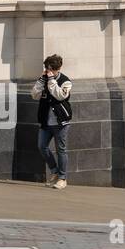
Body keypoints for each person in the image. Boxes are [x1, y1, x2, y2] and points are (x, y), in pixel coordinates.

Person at [31, 54, 73, 190]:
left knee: (61, 149)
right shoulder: (43, 80)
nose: (49, 71)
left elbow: (60, 95)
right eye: (47, 68)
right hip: (45, 121)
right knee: (42, 146)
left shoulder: (66, 81)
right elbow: (34, 95)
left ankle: (62, 178)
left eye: (51, 69)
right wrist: (41, 81)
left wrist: (51, 81)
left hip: (60, 122)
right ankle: (54, 171)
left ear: (57, 68)